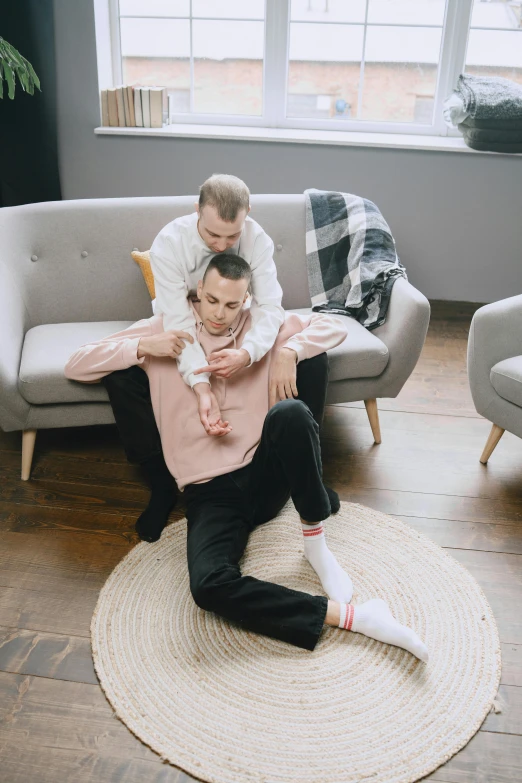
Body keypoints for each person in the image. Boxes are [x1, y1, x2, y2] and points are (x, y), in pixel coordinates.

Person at [65, 255, 429, 662]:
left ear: (247, 300)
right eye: (212, 300)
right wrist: (142, 346)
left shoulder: (261, 325)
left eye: (233, 305)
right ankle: (354, 617)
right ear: (198, 292)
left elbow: (331, 326)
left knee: (290, 414)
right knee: (208, 586)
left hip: (263, 472)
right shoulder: (164, 328)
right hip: (209, 493)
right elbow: (76, 363)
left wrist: (290, 350)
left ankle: (315, 539)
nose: (221, 314)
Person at [98, 173, 289, 538]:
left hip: (237, 324)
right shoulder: (170, 242)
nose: (222, 244)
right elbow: (178, 319)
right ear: (196, 212)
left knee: (299, 358)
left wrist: (248, 353)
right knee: (121, 377)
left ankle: (293, 470)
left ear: (247, 214)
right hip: (180, 326)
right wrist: (200, 383)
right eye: (212, 234)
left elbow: (270, 306)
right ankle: (161, 485)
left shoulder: (257, 239)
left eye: (232, 236)